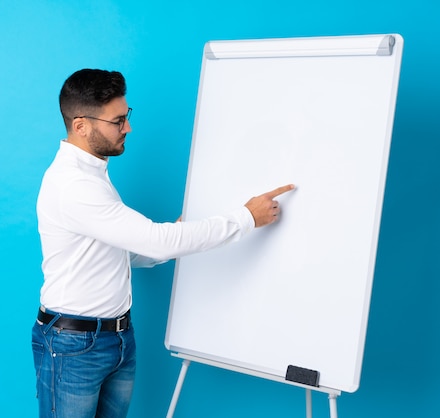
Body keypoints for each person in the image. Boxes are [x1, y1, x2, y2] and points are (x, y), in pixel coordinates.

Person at [31, 68, 294, 418]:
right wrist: (246, 218)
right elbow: (157, 242)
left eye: (127, 117)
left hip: (116, 338)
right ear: (81, 125)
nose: (128, 128)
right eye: (118, 120)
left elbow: (116, 250)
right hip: (75, 345)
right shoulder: (74, 185)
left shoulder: (93, 175)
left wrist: (167, 240)